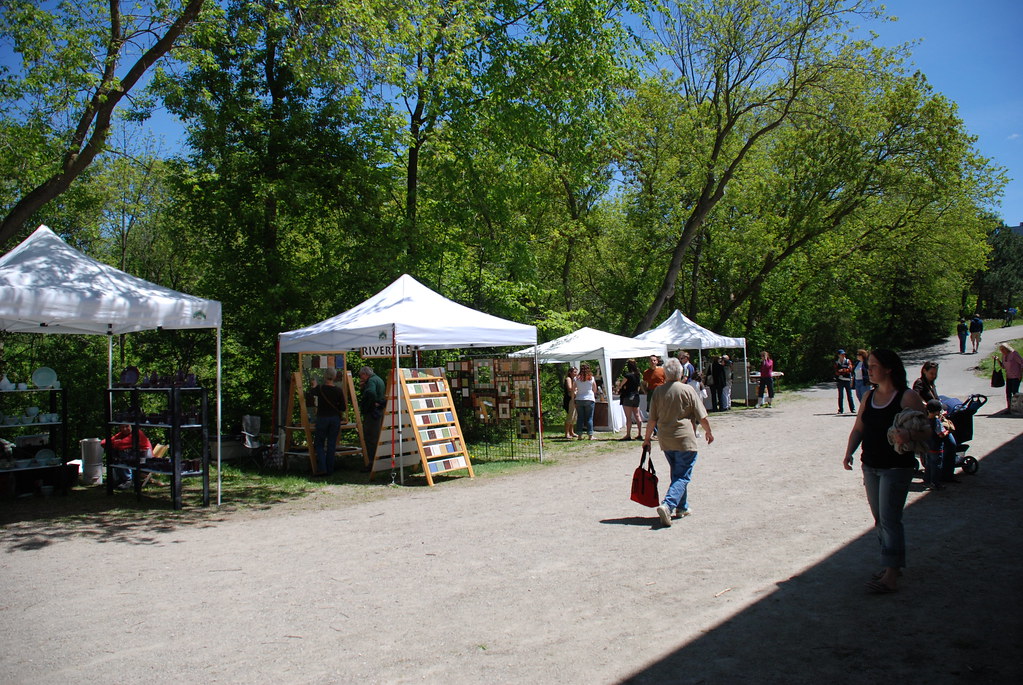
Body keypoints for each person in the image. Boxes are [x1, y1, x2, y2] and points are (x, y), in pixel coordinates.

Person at [841, 349, 927, 594]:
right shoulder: (869, 396)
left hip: (897, 466)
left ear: (889, 368)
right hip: (871, 465)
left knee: (889, 520)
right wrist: (849, 452)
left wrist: (908, 434)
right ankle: (893, 565)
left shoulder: (906, 397)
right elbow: (859, 428)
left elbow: (928, 430)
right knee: (880, 519)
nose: (870, 370)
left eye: (874, 366)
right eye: (869, 365)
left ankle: (890, 574)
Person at [642, 357, 714, 527]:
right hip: (684, 439)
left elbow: (651, 419)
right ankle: (668, 505)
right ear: (681, 373)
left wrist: (646, 439)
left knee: (677, 472)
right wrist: (709, 431)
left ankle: (682, 507)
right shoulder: (687, 390)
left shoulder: (658, 392)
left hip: (666, 439)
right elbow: (701, 415)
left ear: (665, 373)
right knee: (682, 475)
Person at [306, 367, 346, 476]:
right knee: (331, 444)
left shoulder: (320, 389)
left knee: (319, 443)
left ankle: (322, 468)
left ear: (324, 376)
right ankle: (330, 469)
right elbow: (343, 407)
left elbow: (311, 393)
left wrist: (314, 385)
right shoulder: (338, 390)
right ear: (334, 377)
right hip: (334, 419)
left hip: (322, 418)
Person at [102, 423, 152, 490]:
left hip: (145, 457)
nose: (125, 429)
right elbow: (103, 443)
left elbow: (121, 445)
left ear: (131, 426)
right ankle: (120, 478)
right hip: (133, 455)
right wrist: (117, 442)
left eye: (127, 426)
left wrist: (116, 443)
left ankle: (127, 480)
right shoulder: (121, 434)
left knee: (122, 453)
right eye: (122, 427)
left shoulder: (136, 433)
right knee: (115, 452)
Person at [358, 366, 386, 469]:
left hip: (372, 413)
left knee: (370, 437)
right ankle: (378, 460)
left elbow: (371, 392)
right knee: (377, 436)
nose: (361, 378)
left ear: (365, 374)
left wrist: (372, 403)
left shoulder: (371, 381)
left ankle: (372, 462)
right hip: (379, 412)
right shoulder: (378, 379)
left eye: (361, 376)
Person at [922, 399, 949, 491]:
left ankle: (927, 482)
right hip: (936, 447)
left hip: (927, 446)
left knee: (928, 464)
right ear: (937, 411)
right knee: (936, 465)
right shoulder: (936, 421)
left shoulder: (925, 419)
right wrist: (948, 431)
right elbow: (941, 434)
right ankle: (936, 483)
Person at [616, 360, 642, 440]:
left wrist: (619, 386)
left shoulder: (627, 375)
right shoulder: (638, 375)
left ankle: (628, 434)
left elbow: (621, 385)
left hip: (628, 396)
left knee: (628, 417)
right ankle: (640, 433)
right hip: (636, 396)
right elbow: (638, 386)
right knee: (637, 415)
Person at [994, 342, 1023, 410]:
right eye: (1001, 350)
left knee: (1015, 392)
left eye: (1003, 349)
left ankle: (1017, 407)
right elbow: (1003, 366)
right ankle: (1009, 407)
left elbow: (1022, 363)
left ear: (1007, 349)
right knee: (1008, 392)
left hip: (1016, 376)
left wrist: (1021, 374)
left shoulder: (1014, 354)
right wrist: (998, 360)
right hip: (1008, 376)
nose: (1002, 351)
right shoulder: (1004, 356)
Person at [574, 363, 598, 440]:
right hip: (589, 398)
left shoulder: (576, 379)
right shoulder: (591, 378)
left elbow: (573, 389)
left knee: (580, 418)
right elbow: (594, 389)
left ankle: (579, 435)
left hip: (579, 398)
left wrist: (573, 397)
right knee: (589, 418)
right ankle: (590, 435)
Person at [834, 349, 855, 414]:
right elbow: (836, 372)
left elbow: (850, 369)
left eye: (844, 354)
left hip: (847, 380)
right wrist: (844, 370)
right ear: (839, 355)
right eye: (842, 354)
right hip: (840, 381)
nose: (843, 355)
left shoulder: (848, 361)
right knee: (840, 396)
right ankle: (840, 410)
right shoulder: (836, 362)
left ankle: (852, 409)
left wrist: (842, 370)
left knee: (849, 395)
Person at [562, 367, 578, 439]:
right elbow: (570, 388)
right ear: (570, 372)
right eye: (574, 372)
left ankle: (572, 431)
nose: (576, 373)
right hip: (569, 399)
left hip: (574, 398)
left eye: (576, 372)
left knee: (574, 416)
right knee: (570, 416)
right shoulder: (568, 379)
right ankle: (567, 433)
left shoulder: (574, 379)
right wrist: (576, 388)